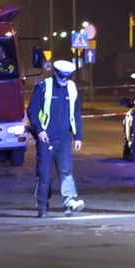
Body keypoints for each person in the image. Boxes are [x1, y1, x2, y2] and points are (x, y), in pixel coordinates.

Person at [27, 59, 85, 218]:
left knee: (66, 171)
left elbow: (76, 113)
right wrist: (39, 131)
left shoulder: (72, 88)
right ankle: (42, 206)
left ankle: (69, 202)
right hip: (46, 138)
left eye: (68, 77)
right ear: (56, 73)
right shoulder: (44, 87)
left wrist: (78, 136)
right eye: (62, 77)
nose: (65, 81)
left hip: (65, 138)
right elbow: (32, 111)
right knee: (44, 173)